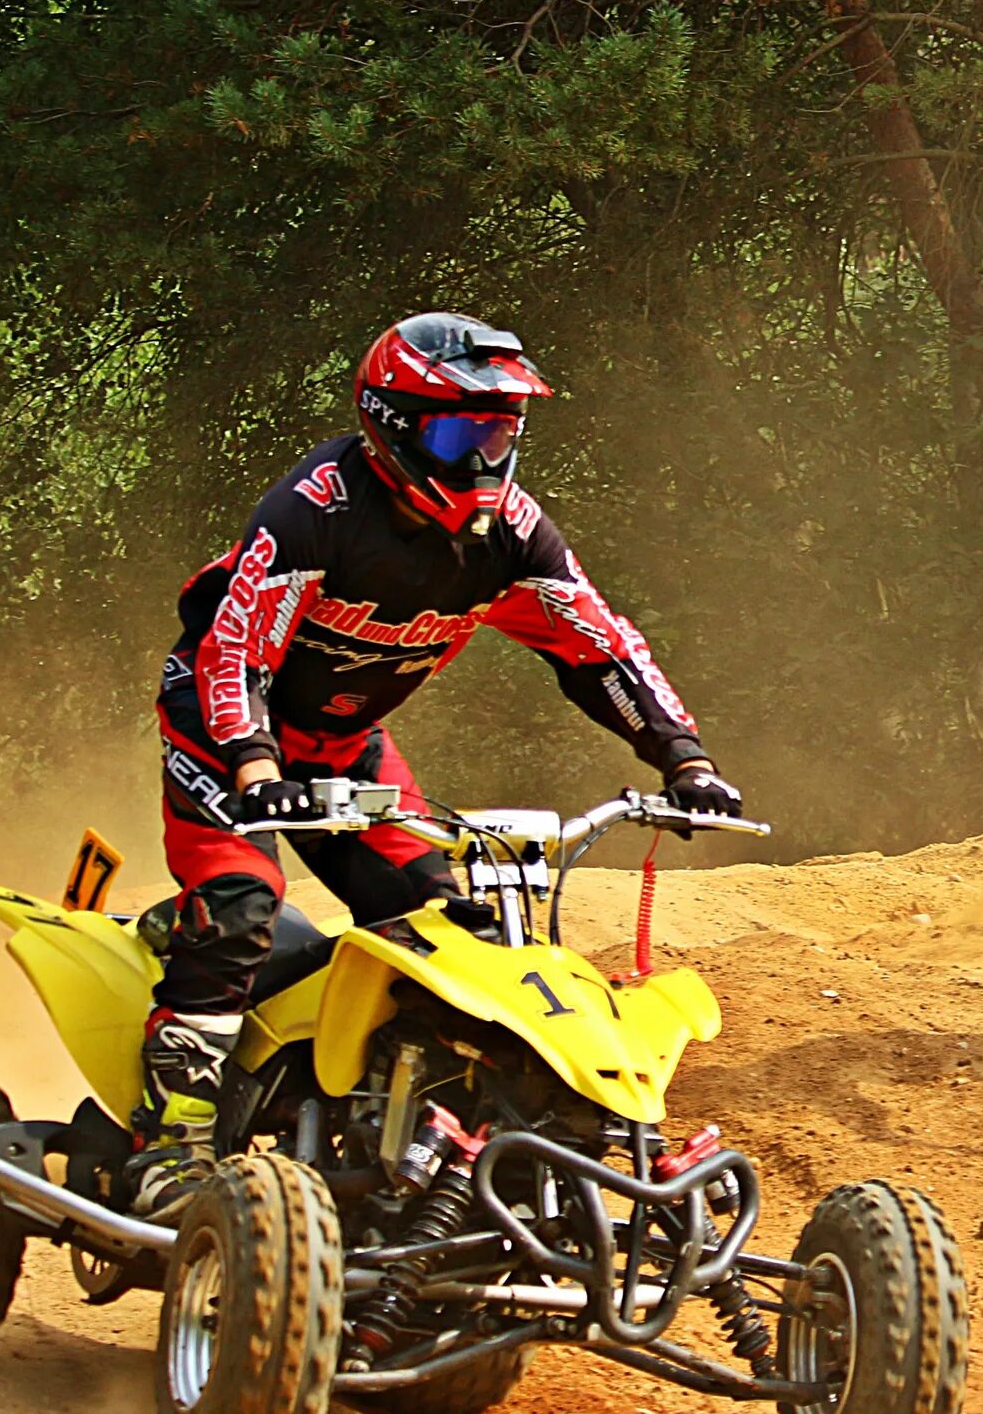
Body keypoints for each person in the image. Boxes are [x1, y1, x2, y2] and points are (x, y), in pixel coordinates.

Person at [130, 311, 739, 1213]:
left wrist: (683, 759)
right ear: (394, 421)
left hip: (346, 751)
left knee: (458, 930)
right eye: (462, 432)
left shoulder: (514, 536)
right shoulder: (316, 511)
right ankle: (171, 1141)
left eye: (500, 433)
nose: (484, 459)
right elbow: (236, 654)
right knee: (238, 909)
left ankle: (428, 1149)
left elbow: (599, 648)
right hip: (225, 744)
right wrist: (256, 770)